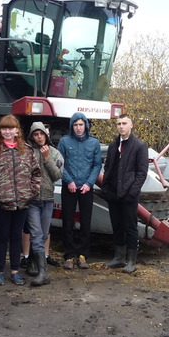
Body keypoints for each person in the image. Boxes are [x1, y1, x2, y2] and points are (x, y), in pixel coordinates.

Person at [0, 115, 40, 286]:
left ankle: (15, 271)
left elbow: (36, 174)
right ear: (0, 130)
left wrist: (30, 192)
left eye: (11, 128)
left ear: (17, 130)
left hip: (22, 202)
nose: (7, 131)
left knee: (16, 237)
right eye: (4, 128)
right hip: (2, 203)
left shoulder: (26, 150)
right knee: (1, 237)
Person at [101, 114, 149, 274]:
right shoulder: (114, 145)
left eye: (124, 123)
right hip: (113, 194)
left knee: (130, 227)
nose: (121, 126)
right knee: (117, 226)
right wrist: (106, 189)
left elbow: (142, 172)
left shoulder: (139, 145)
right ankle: (119, 257)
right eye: (118, 124)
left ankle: (131, 260)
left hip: (129, 195)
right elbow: (108, 168)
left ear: (131, 125)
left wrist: (132, 193)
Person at [57, 112, 102, 270]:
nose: (78, 128)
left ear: (86, 126)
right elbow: (59, 164)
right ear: (71, 126)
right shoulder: (64, 141)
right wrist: (68, 181)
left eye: (81, 125)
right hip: (69, 187)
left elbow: (97, 165)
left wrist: (89, 183)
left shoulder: (94, 143)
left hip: (86, 188)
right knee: (68, 221)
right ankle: (69, 255)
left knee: (85, 221)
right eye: (75, 125)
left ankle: (83, 255)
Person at [25, 121, 64, 286]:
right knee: (36, 234)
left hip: (48, 199)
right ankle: (43, 273)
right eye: (36, 134)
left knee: (44, 233)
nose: (39, 137)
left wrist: (47, 159)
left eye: (42, 133)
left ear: (46, 135)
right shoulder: (27, 152)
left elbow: (57, 175)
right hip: (32, 200)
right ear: (32, 136)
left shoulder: (55, 153)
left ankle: (34, 263)